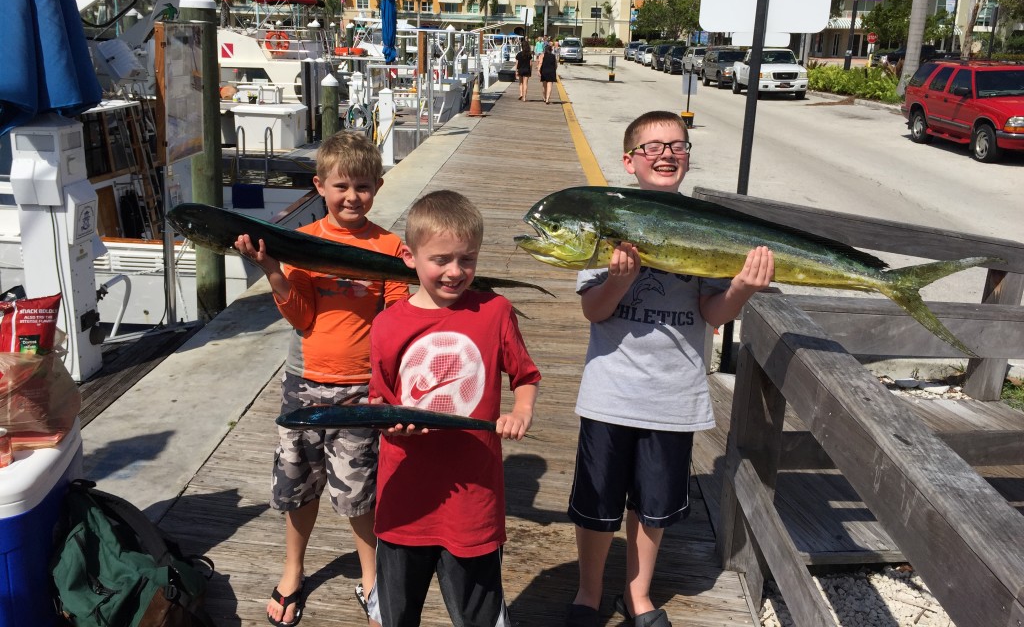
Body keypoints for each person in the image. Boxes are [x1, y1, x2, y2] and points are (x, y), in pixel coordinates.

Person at [565, 111, 774, 627]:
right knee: (597, 503)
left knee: (653, 506)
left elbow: (712, 312)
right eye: (652, 146)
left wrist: (743, 289)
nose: (666, 154)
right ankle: (588, 593)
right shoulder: (604, 218)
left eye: (677, 146)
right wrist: (617, 280)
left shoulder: (704, 224)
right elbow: (594, 310)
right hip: (611, 390)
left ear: (687, 157)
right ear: (629, 160)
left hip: (674, 394)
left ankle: (637, 595)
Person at [234, 131, 409, 627]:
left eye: (362, 186)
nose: (351, 196)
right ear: (320, 187)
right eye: (340, 186)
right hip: (305, 381)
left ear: (377, 185)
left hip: (360, 388)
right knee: (297, 483)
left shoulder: (390, 248)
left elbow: (396, 319)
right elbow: (303, 317)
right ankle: (293, 569)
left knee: (359, 490)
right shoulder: (303, 243)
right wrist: (272, 269)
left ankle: (371, 575)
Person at [367, 189, 541, 627]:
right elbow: (378, 402)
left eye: (467, 259)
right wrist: (392, 427)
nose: (455, 271)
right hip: (404, 499)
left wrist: (521, 411)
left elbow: (525, 376)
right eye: (441, 259)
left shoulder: (496, 311)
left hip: (473, 502)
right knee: (396, 613)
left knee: (478, 615)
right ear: (409, 256)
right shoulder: (387, 324)